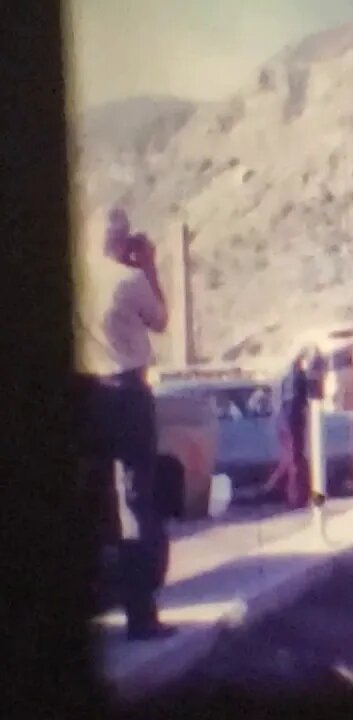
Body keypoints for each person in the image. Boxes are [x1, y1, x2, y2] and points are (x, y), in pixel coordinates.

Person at [73, 207, 174, 641]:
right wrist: (148, 266)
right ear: (121, 240)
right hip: (127, 392)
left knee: (96, 499)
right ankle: (140, 616)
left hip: (87, 392)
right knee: (137, 501)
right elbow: (161, 320)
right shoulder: (127, 280)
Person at [263, 349, 313, 507]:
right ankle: (296, 498)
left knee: (289, 460)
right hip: (292, 420)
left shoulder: (284, 376)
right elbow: (297, 400)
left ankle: (279, 492)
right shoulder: (297, 376)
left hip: (283, 420)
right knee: (295, 461)